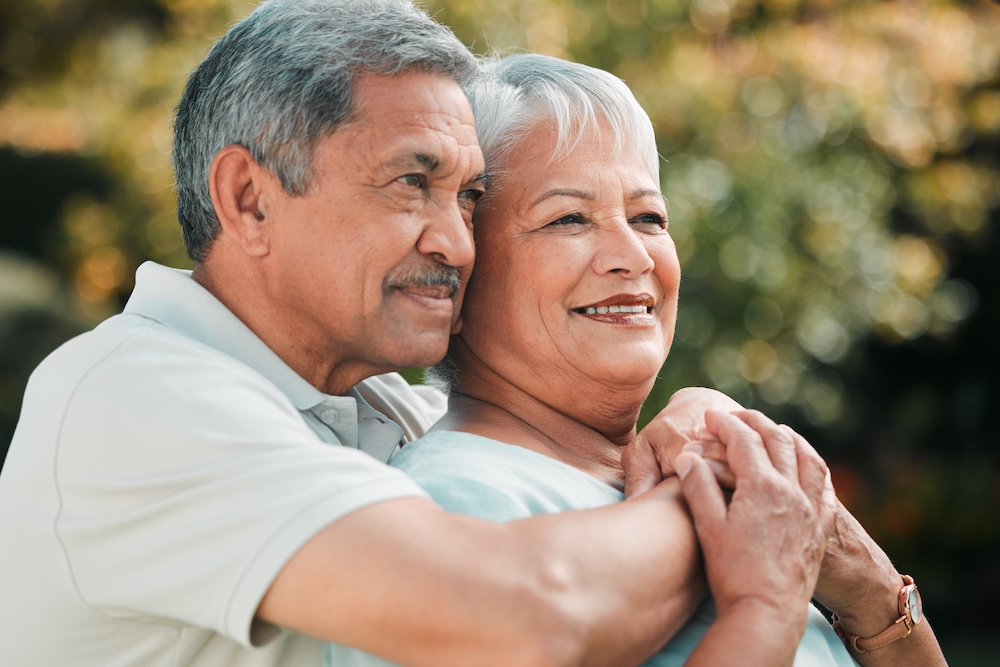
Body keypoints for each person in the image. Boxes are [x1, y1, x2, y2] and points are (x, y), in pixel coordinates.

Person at [0, 2, 756, 666]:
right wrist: (727, 505)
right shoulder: (135, 398)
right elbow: (527, 619)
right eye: (410, 182)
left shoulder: (392, 412)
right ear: (249, 200)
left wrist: (698, 418)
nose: (457, 243)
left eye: (467, 197)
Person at [323, 54, 949, 667]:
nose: (632, 255)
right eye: (568, 218)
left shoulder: (723, 469)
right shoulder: (453, 506)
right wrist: (772, 596)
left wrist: (869, 588)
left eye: (648, 216)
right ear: (458, 274)